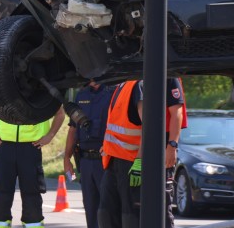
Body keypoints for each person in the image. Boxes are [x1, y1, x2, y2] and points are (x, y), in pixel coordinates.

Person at [97, 78, 187, 228]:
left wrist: (171, 146)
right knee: (107, 214)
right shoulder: (124, 81)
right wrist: (108, 146)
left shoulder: (141, 82)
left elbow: (153, 124)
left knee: (134, 217)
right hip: (115, 160)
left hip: (135, 161)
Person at [0, 102, 65, 228]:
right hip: (5, 147)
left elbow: (60, 113)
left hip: (31, 148)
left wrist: (50, 136)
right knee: (1, 194)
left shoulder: (40, 91)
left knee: (32, 194)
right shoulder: (2, 90)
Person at [63, 79, 113, 228]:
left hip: (106, 161)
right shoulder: (81, 95)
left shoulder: (112, 92)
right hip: (85, 162)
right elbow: (73, 129)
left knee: (108, 210)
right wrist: (67, 158)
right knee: (90, 209)